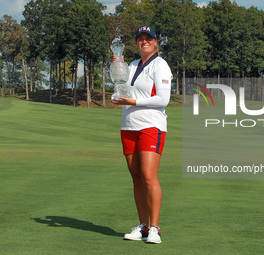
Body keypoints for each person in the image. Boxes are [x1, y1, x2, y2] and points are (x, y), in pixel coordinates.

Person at [111, 25, 172, 244]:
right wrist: (117, 66)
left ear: (156, 42)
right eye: (140, 38)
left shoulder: (161, 65)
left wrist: (133, 102)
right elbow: (123, 88)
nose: (144, 41)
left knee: (148, 176)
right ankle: (143, 226)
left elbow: (163, 100)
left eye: (148, 38)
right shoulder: (133, 65)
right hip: (129, 125)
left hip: (151, 125)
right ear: (136, 42)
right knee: (136, 177)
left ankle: (155, 228)